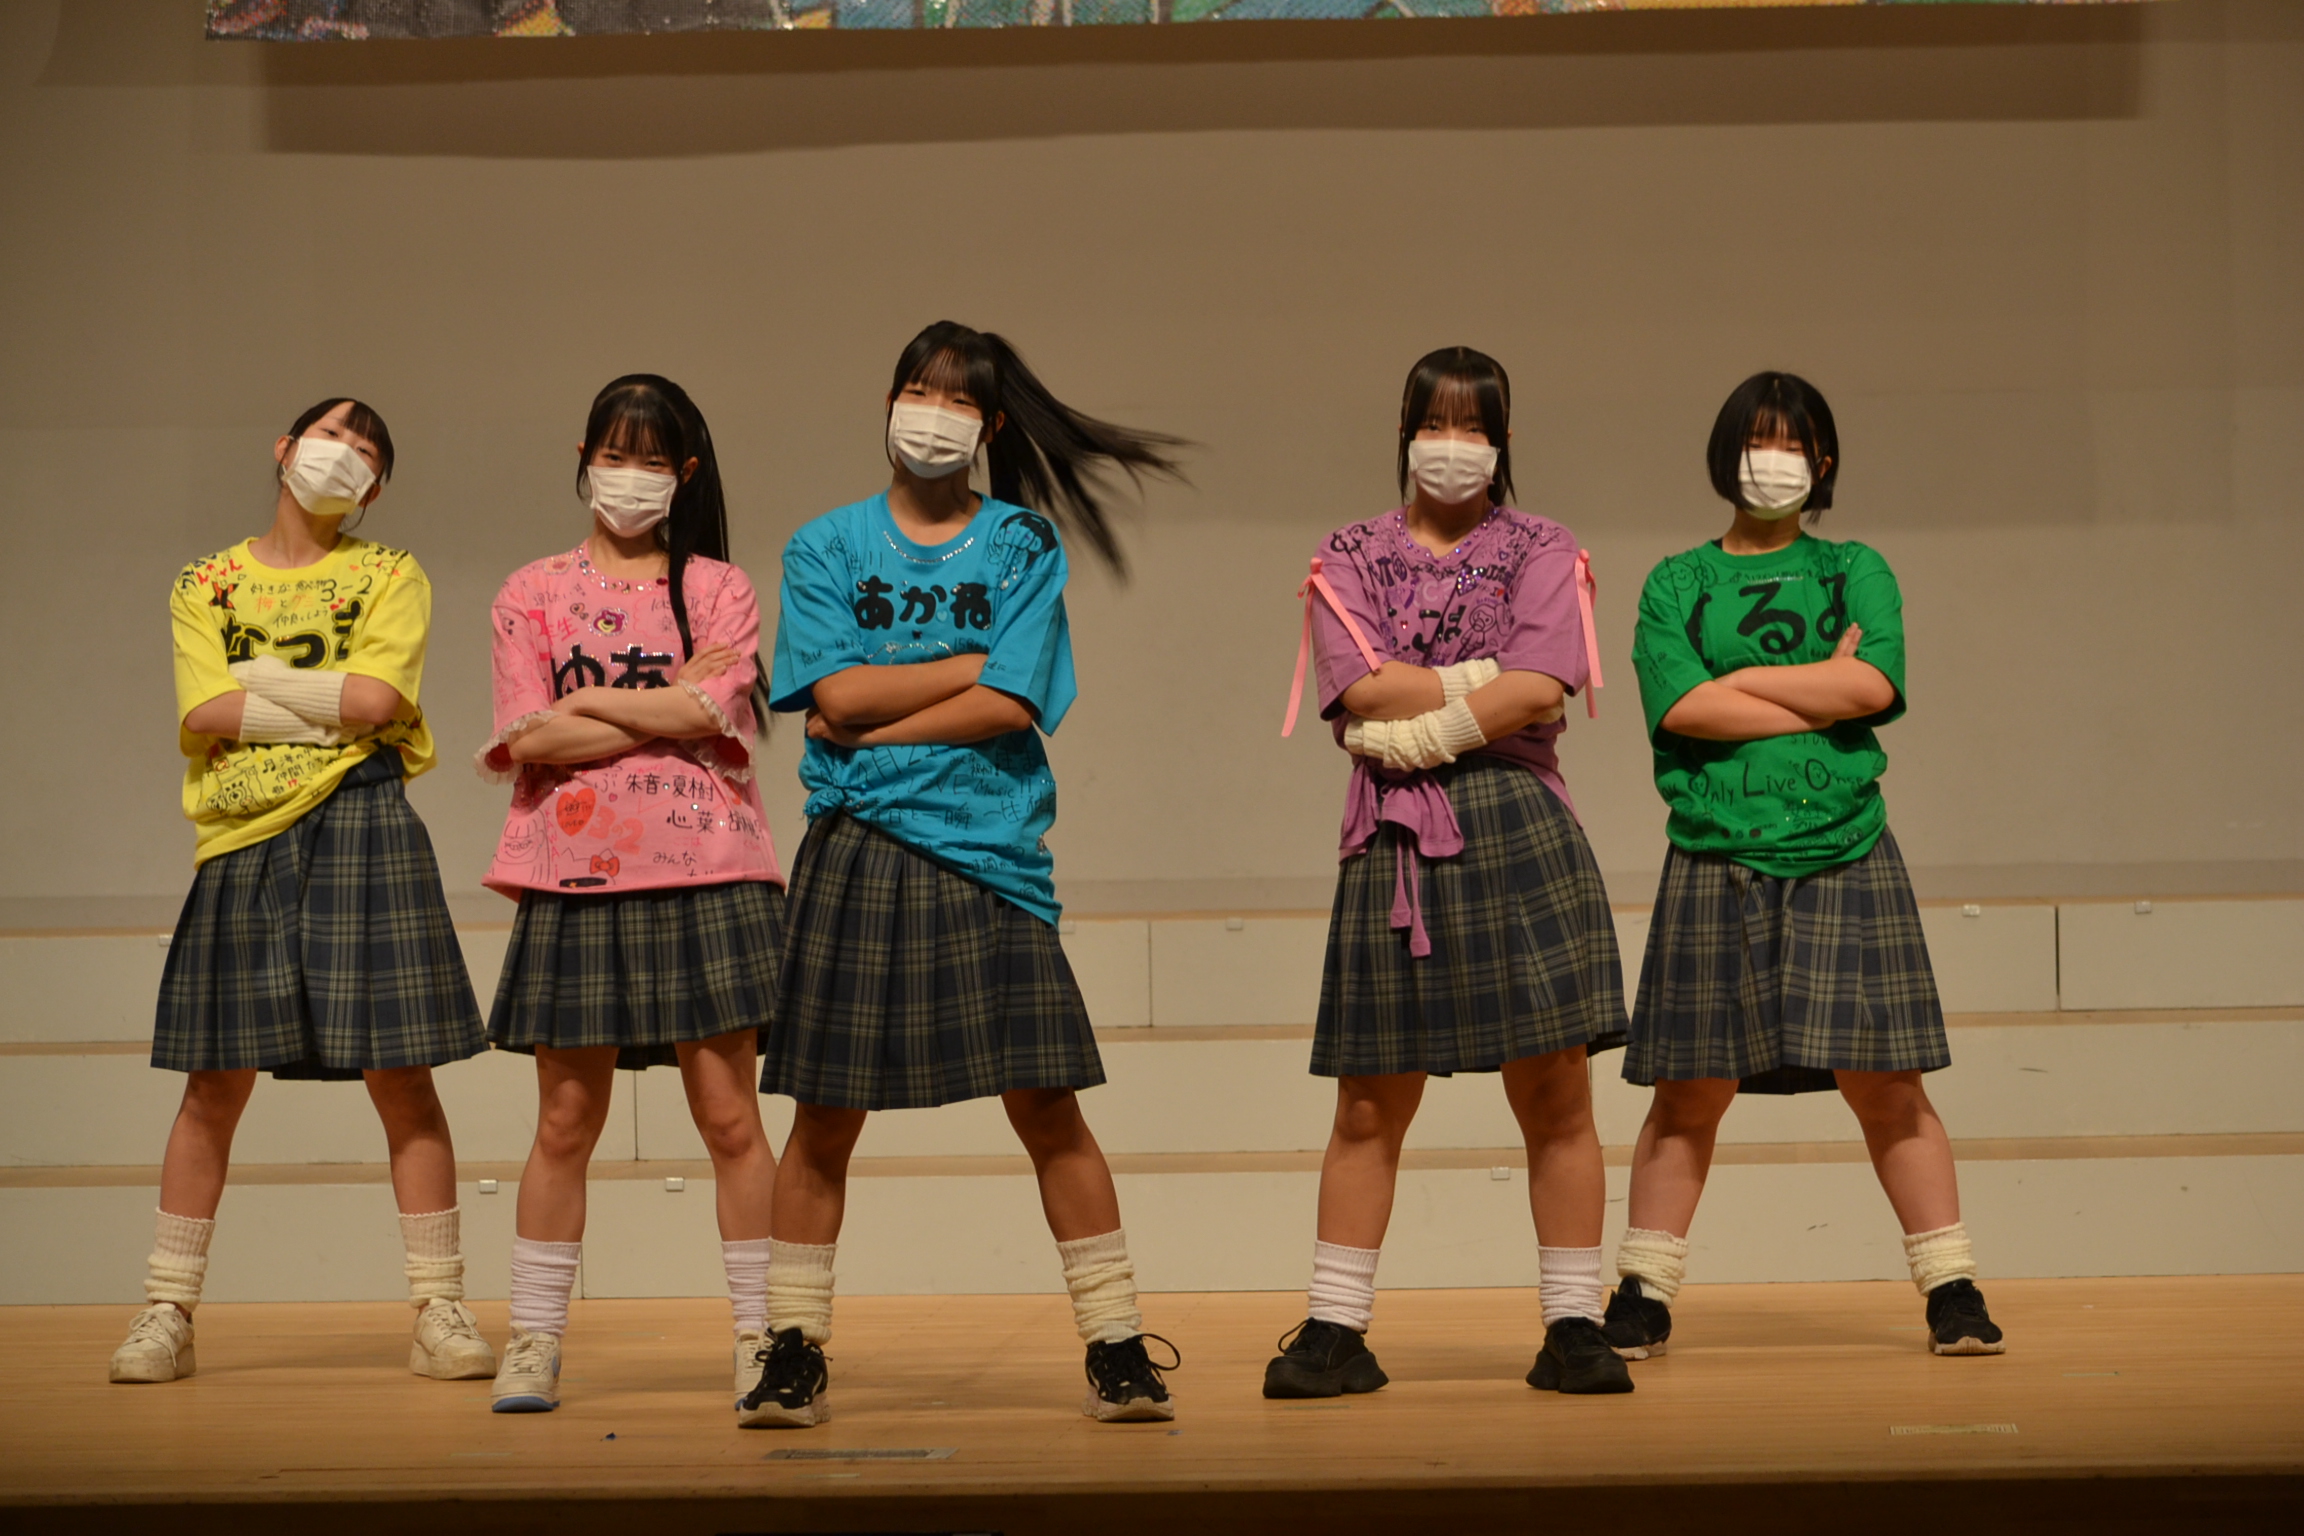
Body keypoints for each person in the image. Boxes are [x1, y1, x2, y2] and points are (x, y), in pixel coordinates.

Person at [746, 321, 1185, 1428]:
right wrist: (956, 675)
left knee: (1050, 1109)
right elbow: (830, 698)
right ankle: (791, 1349)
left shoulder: (1023, 544)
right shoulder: (826, 545)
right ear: (889, 403)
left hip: (992, 856)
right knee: (824, 1118)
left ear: (988, 425)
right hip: (857, 854)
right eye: (914, 390)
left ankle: (1119, 1346)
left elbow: (1012, 702)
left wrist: (890, 721)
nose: (929, 414)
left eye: (955, 400)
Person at [1604, 370, 2004, 1360]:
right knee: (1690, 1090)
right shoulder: (1675, 582)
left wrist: (1740, 675)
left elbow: (1875, 681)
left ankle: (1951, 1287)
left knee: (1888, 1084)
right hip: (1715, 851)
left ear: (1822, 462)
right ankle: (1644, 1292)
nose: (1770, 460)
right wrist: (1814, 689)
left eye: (1790, 443)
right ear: (1723, 454)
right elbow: (1682, 710)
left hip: (1844, 846)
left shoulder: (1857, 567)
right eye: (1754, 440)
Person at [1264, 347, 1632, 1400]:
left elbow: (1542, 692)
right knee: (1370, 1102)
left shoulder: (1543, 544)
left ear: (1502, 441)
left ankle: (1574, 1325)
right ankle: (1337, 1330)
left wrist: (1427, 734)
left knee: (1557, 1092)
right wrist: (1484, 682)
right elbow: (1359, 690)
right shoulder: (1349, 550)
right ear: (1405, 430)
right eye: (1437, 419)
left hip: (1520, 825)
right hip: (1392, 844)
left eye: (1475, 424)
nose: (1454, 442)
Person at [113, 399, 493, 1386]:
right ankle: (167, 1310)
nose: (345, 457)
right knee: (212, 1084)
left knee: (402, 1075)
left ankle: (439, 1304)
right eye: (332, 438)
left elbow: (380, 702)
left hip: (366, 821)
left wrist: (259, 685)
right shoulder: (205, 581)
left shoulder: (387, 573)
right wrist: (322, 704)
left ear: (374, 489)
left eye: (367, 454)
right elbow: (203, 708)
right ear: (283, 449)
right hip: (241, 837)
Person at [475, 375, 788, 1419]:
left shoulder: (720, 589)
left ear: (685, 473)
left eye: (654, 458)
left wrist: (593, 705)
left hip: (710, 865)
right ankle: (532, 1342)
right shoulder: (528, 591)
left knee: (729, 1118)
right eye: (616, 451)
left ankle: (762, 1338)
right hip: (573, 872)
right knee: (564, 1122)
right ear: (583, 454)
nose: (631, 474)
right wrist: (668, 709)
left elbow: (716, 704)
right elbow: (531, 738)